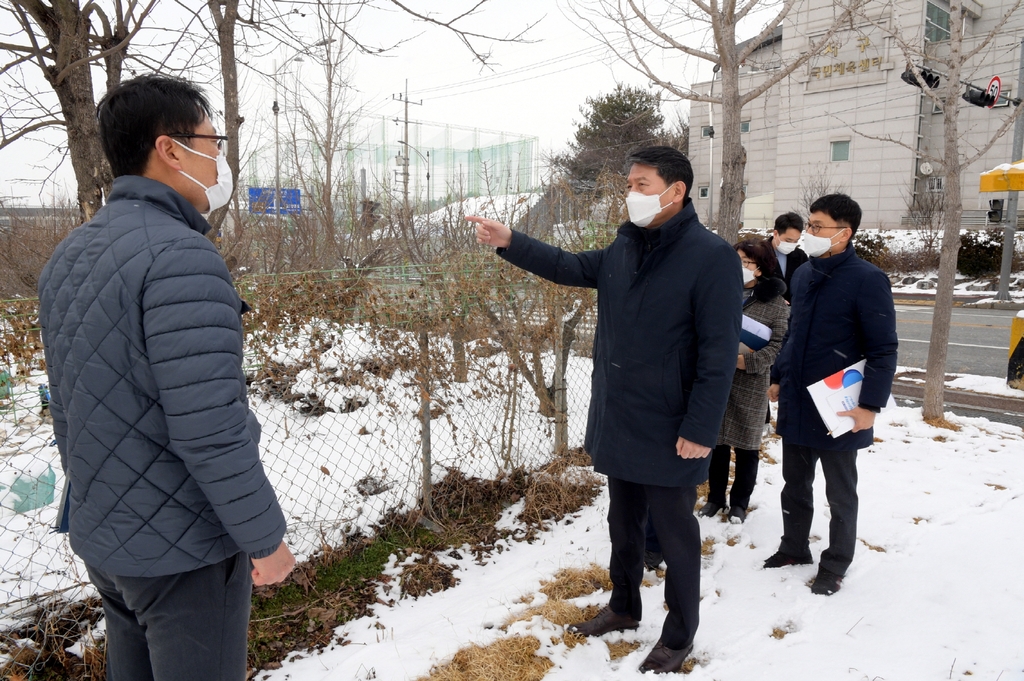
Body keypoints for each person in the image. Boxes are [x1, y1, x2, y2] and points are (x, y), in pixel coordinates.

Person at [38, 74, 295, 681]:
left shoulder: (71, 254)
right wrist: (264, 539)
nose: (219, 157)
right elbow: (209, 424)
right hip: (183, 547)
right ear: (170, 148)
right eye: (213, 140)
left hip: (110, 537)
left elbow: (70, 407)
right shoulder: (180, 256)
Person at [469, 146, 741, 674]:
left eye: (641, 184)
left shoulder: (710, 257)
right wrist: (510, 241)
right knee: (623, 523)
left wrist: (701, 427)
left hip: (672, 426)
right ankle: (623, 607)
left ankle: (680, 633)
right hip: (621, 417)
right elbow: (568, 266)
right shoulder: (624, 247)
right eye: (630, 184)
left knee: (676, 535)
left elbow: (718, 352)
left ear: (675, 191)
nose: (630, 194)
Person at [765, 194, 897, 595]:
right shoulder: (803, 276)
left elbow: (883, 349)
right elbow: (794, 335)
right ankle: (793, 547)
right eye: (809, 225)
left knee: (840, 492)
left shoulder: (867, 278)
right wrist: (778, 376)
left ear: (845, 232)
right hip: (799, 399)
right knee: (794, 482)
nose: (810, 233)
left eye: (818, 226)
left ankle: (836, 563)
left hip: (838, 404)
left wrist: (869, 405)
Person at [698, 239, 788, 524]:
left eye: (746, 262)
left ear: (760, 269)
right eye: (735, 260)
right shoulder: (721, 292)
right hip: (717, 378)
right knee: (718, 443)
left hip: (750, 382)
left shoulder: (775, 304)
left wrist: (746, 361)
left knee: (747, 447)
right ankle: (715, 498)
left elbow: (778, 345)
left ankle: (739, 502)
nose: (739, 267)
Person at [769, 211, 808, 303]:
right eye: (788, 240)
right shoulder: (758, 254)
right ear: (775, 234)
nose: (791, 245)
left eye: (796, 241)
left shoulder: (800, 256)